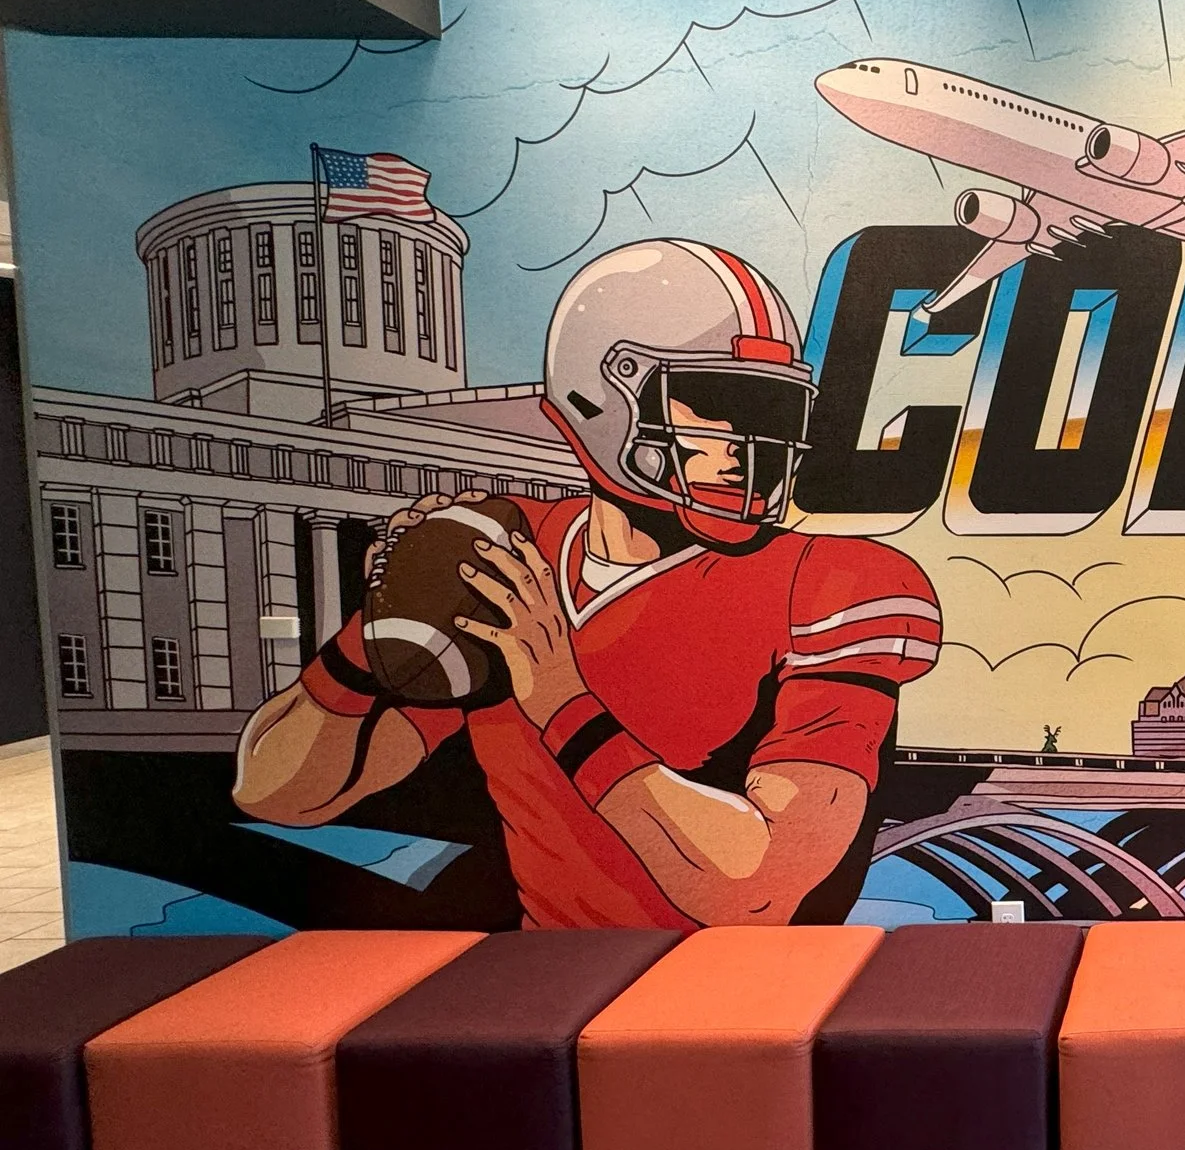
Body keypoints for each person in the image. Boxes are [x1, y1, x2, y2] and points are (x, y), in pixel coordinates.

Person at [232, 239, 940, 928]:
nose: (745, 445)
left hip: (740, 984)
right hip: (550, 977)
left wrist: (564, 703)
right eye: (717, 403)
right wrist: (374, 636)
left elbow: (757, 892)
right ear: (600, 398)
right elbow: (279, 795)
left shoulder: (833, 583)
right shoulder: (507, 551)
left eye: (770, 412)